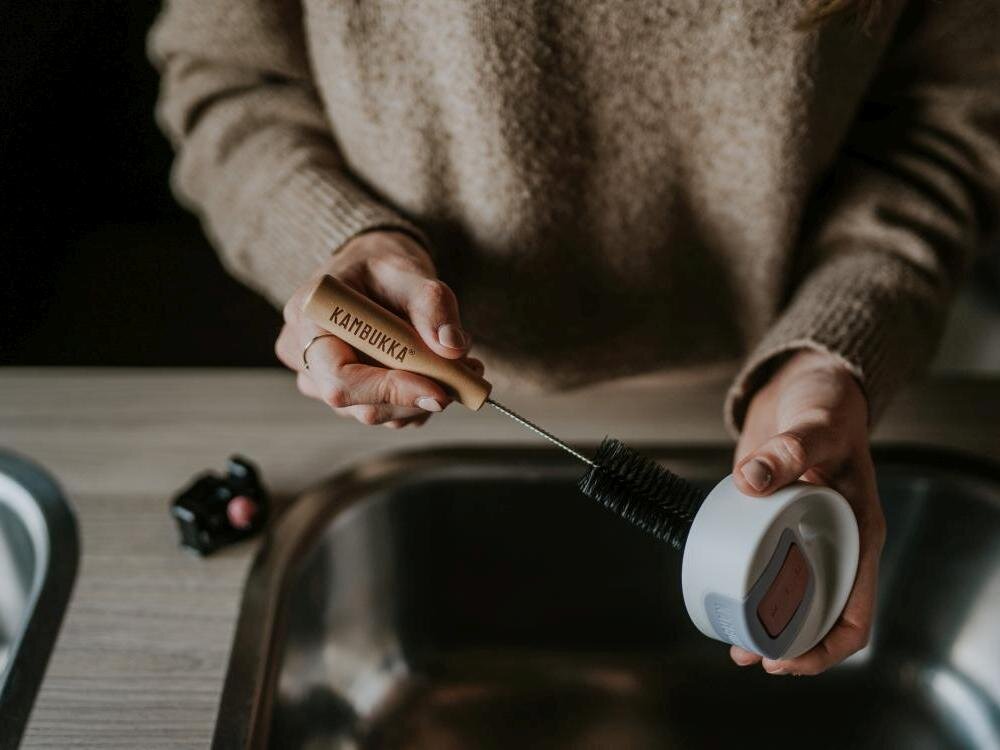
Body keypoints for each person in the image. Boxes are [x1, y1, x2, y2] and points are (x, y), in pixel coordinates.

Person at [149, 0, 1000, 676]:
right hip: (419, 377)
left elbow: (947, 123)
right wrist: (337, 240)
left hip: (768, 385)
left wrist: (827, 350)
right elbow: (227, 80)